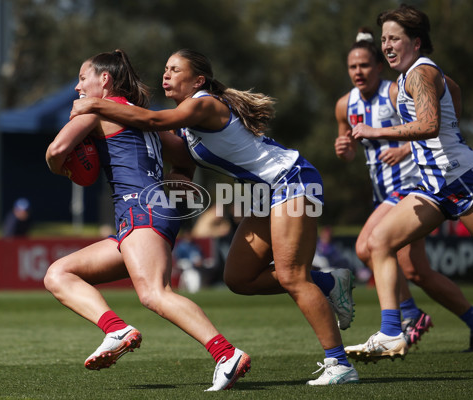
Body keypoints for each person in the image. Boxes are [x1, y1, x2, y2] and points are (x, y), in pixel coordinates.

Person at [70, 48, 359, 385]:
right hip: (264, 193)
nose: (166, 75)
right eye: (165, 69)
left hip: (292, 180)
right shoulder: (187, 123)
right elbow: (178, 157)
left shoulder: (203, 103)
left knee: (292, 276)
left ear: (198, 80)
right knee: (239, 278)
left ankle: (339, 363)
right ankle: (329, 282)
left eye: (175, 70)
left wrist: (94, 104)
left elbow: (152, 120)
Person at [44, 49, 249, 391]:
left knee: (154, 294)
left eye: (83, 79)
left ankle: (226, 354)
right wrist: (180, 175)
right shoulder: (142, 115)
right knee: (58, 274)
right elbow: (184, 156)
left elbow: (55, 151)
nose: (78, 88)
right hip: (146, 215)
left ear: (104, 80)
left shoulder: (96, 109)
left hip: (141, 213)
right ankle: (115, 329)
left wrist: (62, 168)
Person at [346, 4, 473, 362]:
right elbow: (453, 92)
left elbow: (430, 125)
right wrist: (451, 120)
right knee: (378, 242)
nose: (386, 45)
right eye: (384, 39)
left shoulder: (419, 73)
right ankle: (390, 332)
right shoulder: (408, 77)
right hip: (433, 186)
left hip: (460, 177)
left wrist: (377, 131)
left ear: (416, 42)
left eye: (394, 38)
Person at [335, 28, 473, 353]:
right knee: (416, 272)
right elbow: (351, 146)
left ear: (378, 67)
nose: (358, 72)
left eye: (365, 65)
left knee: (368, 246)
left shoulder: (396, 89)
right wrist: (344, 149)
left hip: (411, 186)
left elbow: (441, 103)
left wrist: (406, 149)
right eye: (353, 67)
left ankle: (408, 317)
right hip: (385, 192)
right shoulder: (344, 105)